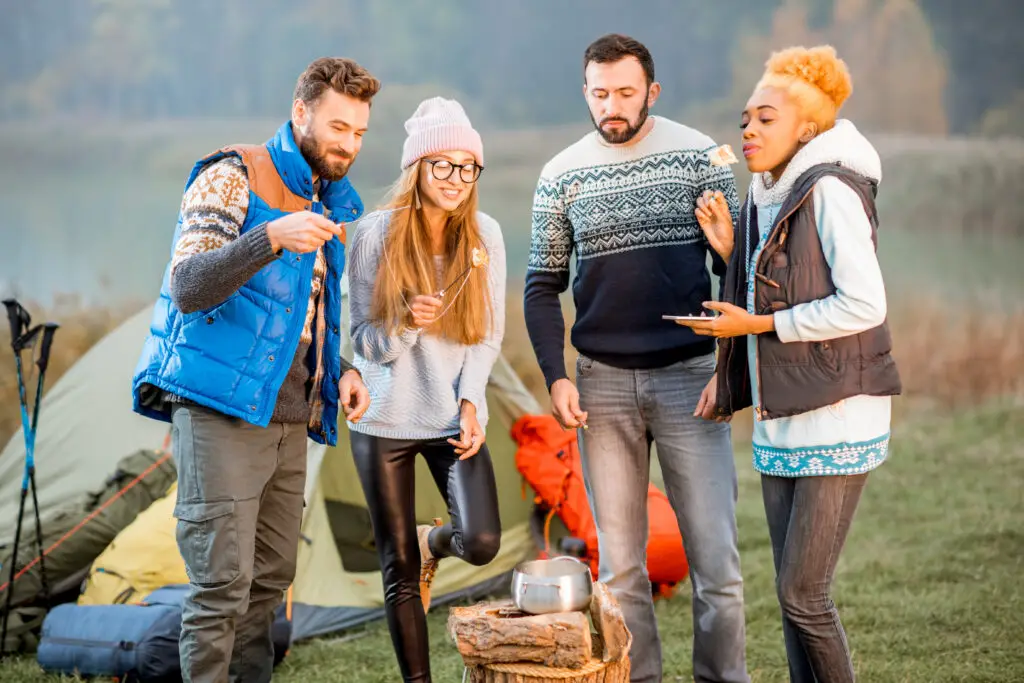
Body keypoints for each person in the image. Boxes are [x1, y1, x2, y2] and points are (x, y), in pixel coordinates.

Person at [131, 57, 379, 683]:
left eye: (359, 132)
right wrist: (268, 238)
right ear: (301, 113)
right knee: (221, 588)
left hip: (292, 414)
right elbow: (188, 285)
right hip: (220, 412)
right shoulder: (232, 174)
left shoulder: (328, 201)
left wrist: (341, 369)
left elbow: (298, 316)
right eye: (337, 126)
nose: (348, 144)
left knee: (269, 583)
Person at [524, 33, 750, 683]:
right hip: (600, 387)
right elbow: (543, 286)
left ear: (651, 90)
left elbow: (735, 279)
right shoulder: (560, 174)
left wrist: (730, 254)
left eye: (625, 92)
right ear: (585, 92)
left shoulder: (700, 156)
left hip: (691, 380)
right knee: (621, 569)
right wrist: (557, 375)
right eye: (600, 93)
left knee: (718, 565)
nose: (612, 105)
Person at [678, 45, 902, 683]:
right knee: (791, 598)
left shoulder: (830, 188)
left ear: (807, 128)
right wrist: (730, 250)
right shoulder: (764, 194)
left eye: (765, 118)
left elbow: (864, 303)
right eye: (745, 117)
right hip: (784, 414)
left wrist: (761, 323)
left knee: (806, 597)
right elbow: (775, 286)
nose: (747, 128)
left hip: (837, 414)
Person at [346, 96, 505, 683]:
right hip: (383, 419)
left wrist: (471, 402)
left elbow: (487, 336)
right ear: (417, 167)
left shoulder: (484, 235)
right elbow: (363, 342)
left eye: (468, 167)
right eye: (443, 165)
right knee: (398, 566)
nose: (457, 180)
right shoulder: (374, 235)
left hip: (448, 418)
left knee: (482, 539)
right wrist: (407, 322)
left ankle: (432, 540)